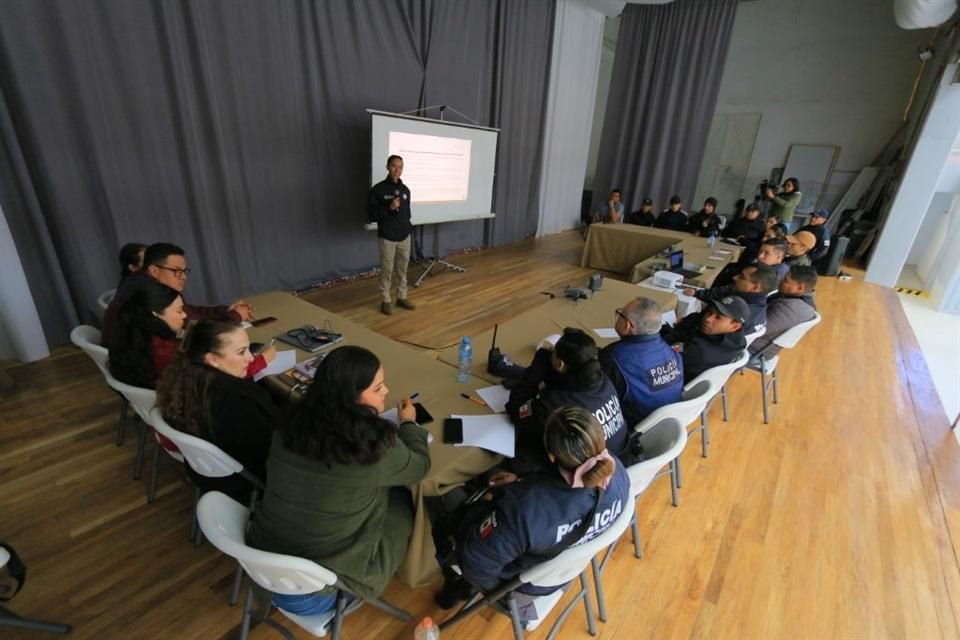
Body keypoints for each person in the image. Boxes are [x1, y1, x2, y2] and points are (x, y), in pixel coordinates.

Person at [247, 345, 430, 614]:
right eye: (378, 388)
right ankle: (416, 569)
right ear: (351, 397)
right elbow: (419, 467)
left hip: (262, 568)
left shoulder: (291, 421)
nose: (387, 391)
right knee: (404, 499)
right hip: (318, 593)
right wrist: (409, 425)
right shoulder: (373, 443)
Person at [432, 406, 630, 621]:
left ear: (552, 457)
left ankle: (454, 589)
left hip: (521, 587)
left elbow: (476, 567)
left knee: (441, 496)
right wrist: (520, 485)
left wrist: (498, 502)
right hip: (564, 570)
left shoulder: (522, 511)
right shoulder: (618, 472)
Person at [156, 319, 278, 503]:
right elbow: (272, 450)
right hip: (246, 481)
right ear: (212, 359)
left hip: (208, 475)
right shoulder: (236, 402)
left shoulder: (185, 380)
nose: (251, 358)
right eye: (241, 352)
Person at [506, 329, 629, 465]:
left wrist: (538, 366)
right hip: (620, 457)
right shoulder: (602, 378)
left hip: (588, 470)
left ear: (560, 364)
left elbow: (515, 409)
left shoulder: (554, 404)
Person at [102, 242, 255, 344]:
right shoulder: (149, 296)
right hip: (156, 378)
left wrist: (225, 309)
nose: (184, 277)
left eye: (184, 271)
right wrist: (236, 316)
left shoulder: (143, 283)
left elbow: (189, 311)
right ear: (154, 270)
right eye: (176, 271)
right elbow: (198, 332)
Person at [598, 297, 683, 428]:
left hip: (634, 427)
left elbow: (599, 397)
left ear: (627, 325)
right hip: (669, 424)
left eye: (620, 314)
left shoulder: (614, 358)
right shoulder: (671, 352)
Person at [107, 279, 186, 388]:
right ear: (156, 314)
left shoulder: (131, 330)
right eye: (179, 311)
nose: (184, 315)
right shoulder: (164, 352)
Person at [367, 155, 416, 316]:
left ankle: (401, 297)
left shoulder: (405, 190)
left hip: (404, 236)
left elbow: (407, 213)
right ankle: (386, 300)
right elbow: (372, 215)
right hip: (387, 237)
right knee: (387, 270)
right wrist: (389, 207)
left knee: (403, 269)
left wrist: (407, 228)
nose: (397, 170)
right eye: (394, 166)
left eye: (400, 167)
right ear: (388, 167)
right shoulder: (378, 190)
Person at [659, 296, 749, 380]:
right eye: (709, 312)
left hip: (670, 378)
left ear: (735, 327)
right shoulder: (737, 339)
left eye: (718, 317)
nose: (708, 319)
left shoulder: (698, 350)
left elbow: (665, 353)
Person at [686, 265, 776, 336]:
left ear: (755, 287)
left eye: (742, 277)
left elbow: (709, 333)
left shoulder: (744, 313)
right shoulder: (742, 293)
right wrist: (697, 293)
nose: (735, 277)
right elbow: (724, 290)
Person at [749, 266, 818, 357]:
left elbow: (757, 329)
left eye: (786, 280)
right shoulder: (798, 298)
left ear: (800, 288)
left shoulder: (790, 309)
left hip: (755, 347)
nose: (780, 281)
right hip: (760, 340)